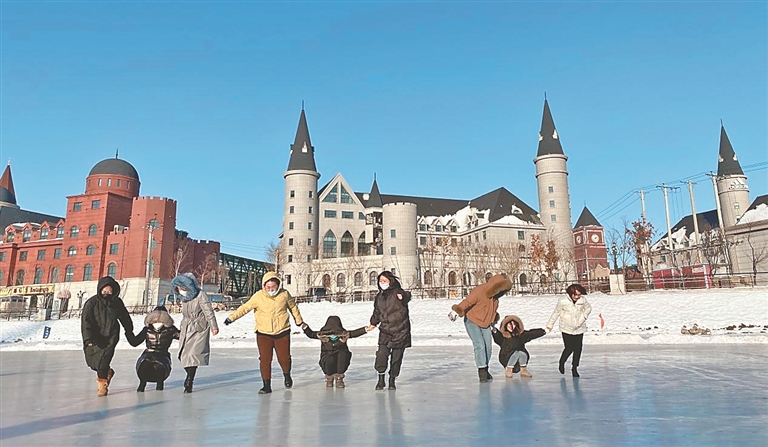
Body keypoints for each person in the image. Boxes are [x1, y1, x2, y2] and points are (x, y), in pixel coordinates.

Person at [224, 272, 304, 394]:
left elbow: (293, 307)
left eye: (273, 287)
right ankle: (266, 385)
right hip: (263, 333)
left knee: (284, 358)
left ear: (278, 285)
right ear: (264, 286)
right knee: (265, 360)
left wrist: (299, 321)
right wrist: (231, 318)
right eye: (268, 287)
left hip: (282, 332)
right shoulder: (258, 296)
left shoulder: (284, 294)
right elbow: (245, 308)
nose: (271, 289)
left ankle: (287, 374)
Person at [449, 274, 512, 383]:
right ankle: (482, 371)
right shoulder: (479, 291)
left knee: (488, 347)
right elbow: (467, 302)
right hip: (471, 321)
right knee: (479, 345)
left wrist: (493, 322)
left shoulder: (495, 300)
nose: (500, 292)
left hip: (485, 324)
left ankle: (485, 368)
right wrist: (456, 311)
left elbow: (492, 312)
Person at [81, 276, 136, 397]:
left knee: (103, 362)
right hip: (96, 337)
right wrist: (88, 339)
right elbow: (86, 322)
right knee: (93, 363)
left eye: (110, 291)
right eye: (104, 290)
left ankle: (102, 388)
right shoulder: (91, 303)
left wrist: (129, 330)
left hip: (111, 336)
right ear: (100, 289)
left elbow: (125, 317)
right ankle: (108, 372)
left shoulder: (116, 302)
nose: (107, 293)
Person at [173, 273, 219, 393]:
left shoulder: (200, 295)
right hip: (186, 328)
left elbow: (208, 311)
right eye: (178, 287)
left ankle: (189, 380)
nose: (180, 289)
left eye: (182, 287)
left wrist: (214, 326)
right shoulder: (184, 298)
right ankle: (189, 375)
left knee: (193, 355)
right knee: (184, 355)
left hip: (199, 329)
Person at [302, 316, 374, 388]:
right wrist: (305, 327)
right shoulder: (322, 335)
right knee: (329, 358)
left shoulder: (343, 334)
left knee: (342, 354)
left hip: (340, 358)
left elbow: (354, 333)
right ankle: (329, 378)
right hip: (327, 358)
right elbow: (311, 334)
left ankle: (339, 378)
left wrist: (366, 329)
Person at [369, 271, 412, 391]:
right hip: (385, 331)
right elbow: (376, 312)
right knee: (381, 355)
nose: (382, 283)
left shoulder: (398, 292)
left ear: (390, 282)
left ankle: (392, 379)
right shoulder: (379, 297)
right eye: (380, 281)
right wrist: (373, 323)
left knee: (396, 359)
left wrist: (403, 297)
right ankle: (381, 378)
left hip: (400, 331)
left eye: (385, 281)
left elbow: (407, 295)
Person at [546, 283, 592, 377]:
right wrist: (550, 324)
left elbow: (588, 308)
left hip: (579, 328)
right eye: (575, 295)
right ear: (571, 294)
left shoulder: (582, 300)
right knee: (569, 347)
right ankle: (562, 361)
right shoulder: (563, 301)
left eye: (579, 295)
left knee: (578, 349)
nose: (577, 297)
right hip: (566, 328)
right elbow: (556, 313)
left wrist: (584, 316)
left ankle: (574, 367)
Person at [131, 305, 180, 392]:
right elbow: (183, 337)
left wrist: (128, 332)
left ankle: (142, 385)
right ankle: (159, 387)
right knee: (160, 378)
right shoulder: (171, 329)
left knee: (143, 374)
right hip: (163, 357)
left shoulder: (147, 329)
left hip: (147, 356)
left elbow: (135, 342)